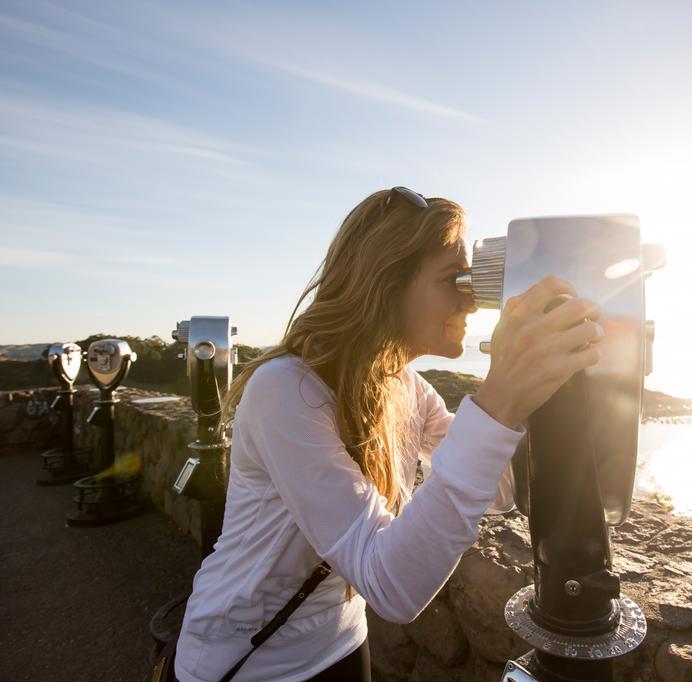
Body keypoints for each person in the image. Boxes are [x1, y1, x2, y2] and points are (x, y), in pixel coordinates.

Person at [174, 187, 603, 681]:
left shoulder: (406, 388)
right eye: (454, 279)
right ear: (384, 283)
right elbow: (392, 585)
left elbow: (501, 486)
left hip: (341, 641)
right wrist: (499, 397)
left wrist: (546, 388)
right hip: (248, 662)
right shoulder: (287, 390)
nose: (472, 300)